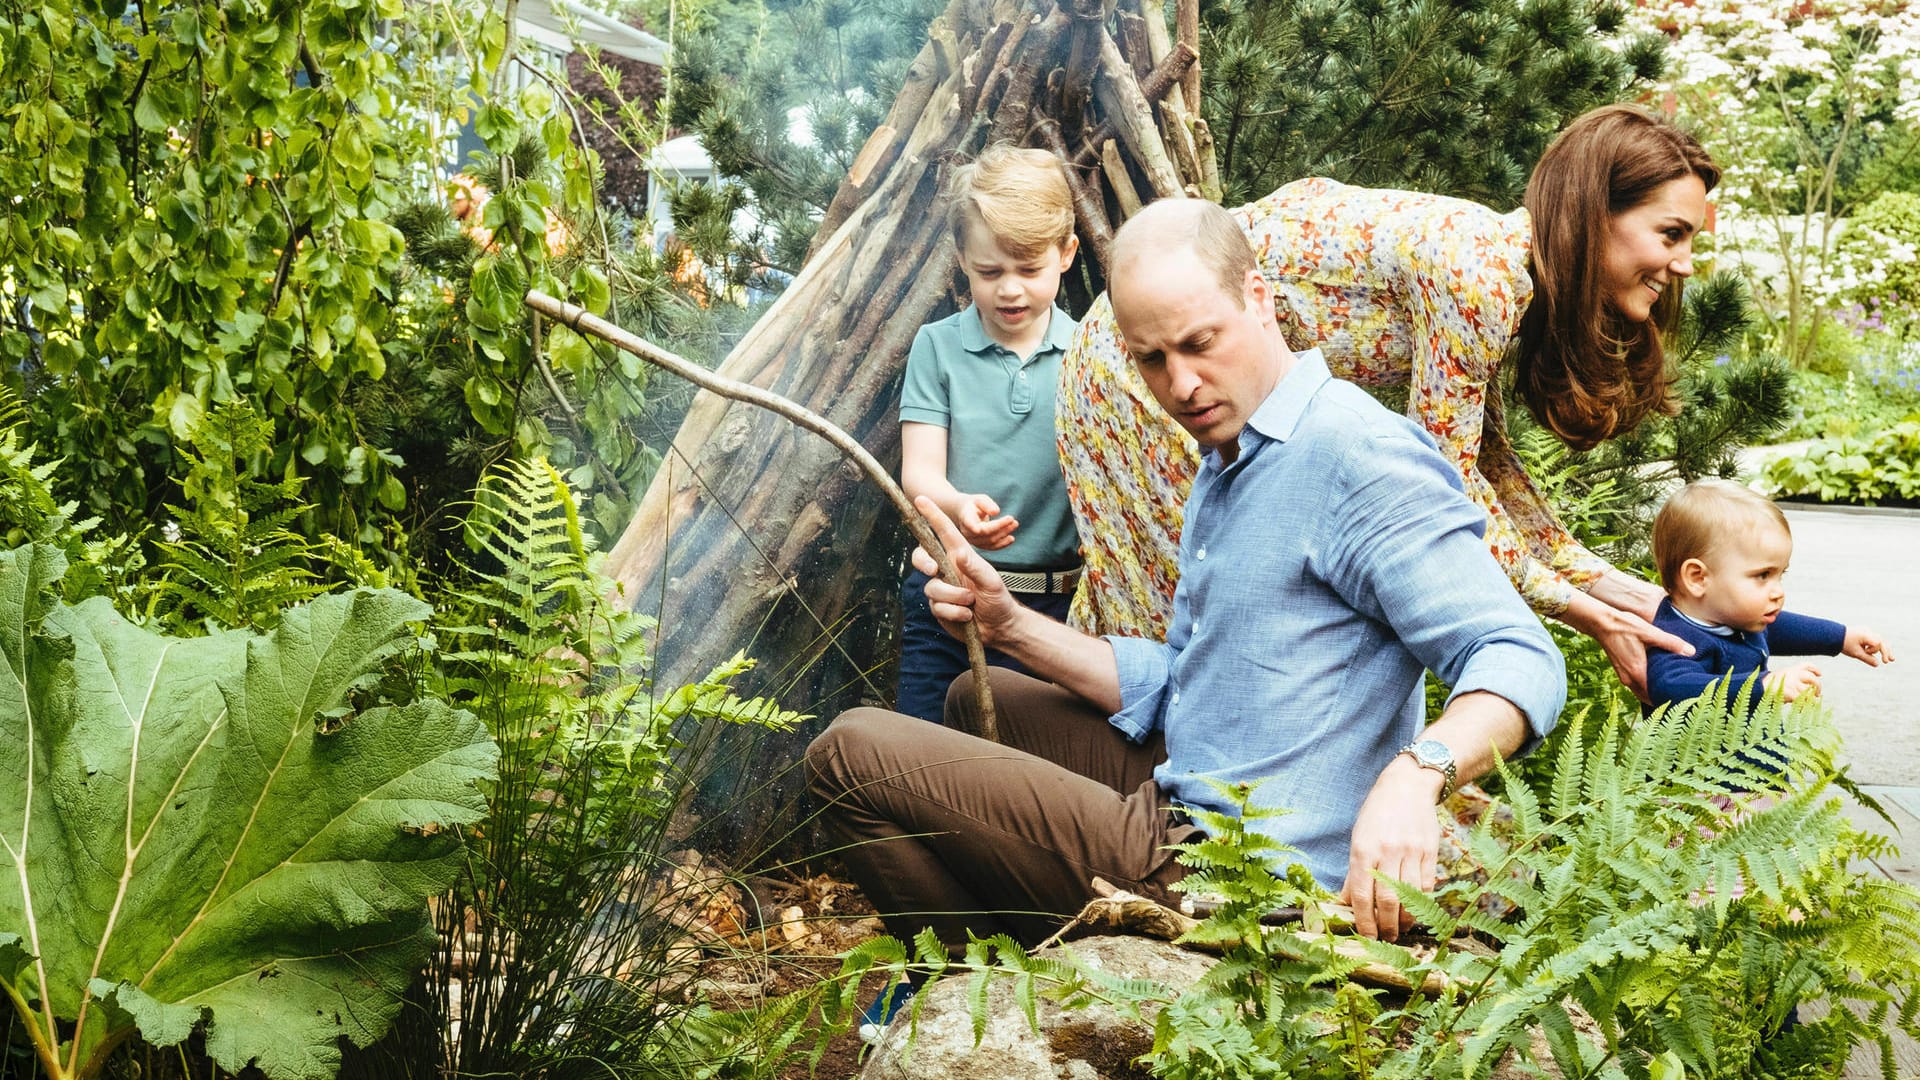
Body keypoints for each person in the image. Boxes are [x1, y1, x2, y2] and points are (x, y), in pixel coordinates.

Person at [808, 200, 1565, 1041]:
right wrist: (1008, 623)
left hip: (1240, 876)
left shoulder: (1356, 455)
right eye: (1152, 359)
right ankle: (1023, 966)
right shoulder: (1233, 455)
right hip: (1205, 778)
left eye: (1200, 344)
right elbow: (1197, 677)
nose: (1182, 386)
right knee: (975, 702)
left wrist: (1417, 774)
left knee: (848, 754)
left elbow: (1518, 654)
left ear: (1261, 298)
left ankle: (995, 985)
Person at [1058, 104, 1718, 701]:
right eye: (1671, 233)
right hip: (1136, 358)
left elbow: (1485, 465)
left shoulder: (1505, 274)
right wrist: (1581, 610)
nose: (1684, 262)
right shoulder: (1478, 275)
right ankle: (1165, 818)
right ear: (1595, 213)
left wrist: (1609, 586)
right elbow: (1447, 489)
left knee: (1166, 604)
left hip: (1169, 358)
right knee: (1190, 618)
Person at [895, 144, 1083, 722]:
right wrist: (957, 505)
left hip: (1054, 608)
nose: (1010, 290)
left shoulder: (1088, 354)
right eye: (990, 271)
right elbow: (919, 471)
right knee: (925, 758)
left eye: (1030, 270)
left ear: (1067, 254)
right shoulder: (938, 347)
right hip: (948, 593)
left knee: (1027, 773)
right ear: (961, 259)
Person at [1646, 479, 1893, 736]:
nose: (1778, 592)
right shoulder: (1676, 638)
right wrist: (1762, 685)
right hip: (1706, 772)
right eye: (1763, 575)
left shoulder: (1737, 618)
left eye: (1780, 575)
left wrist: (1841, 636)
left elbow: (1779, 628)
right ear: (1698, 578)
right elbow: (1671, 687)